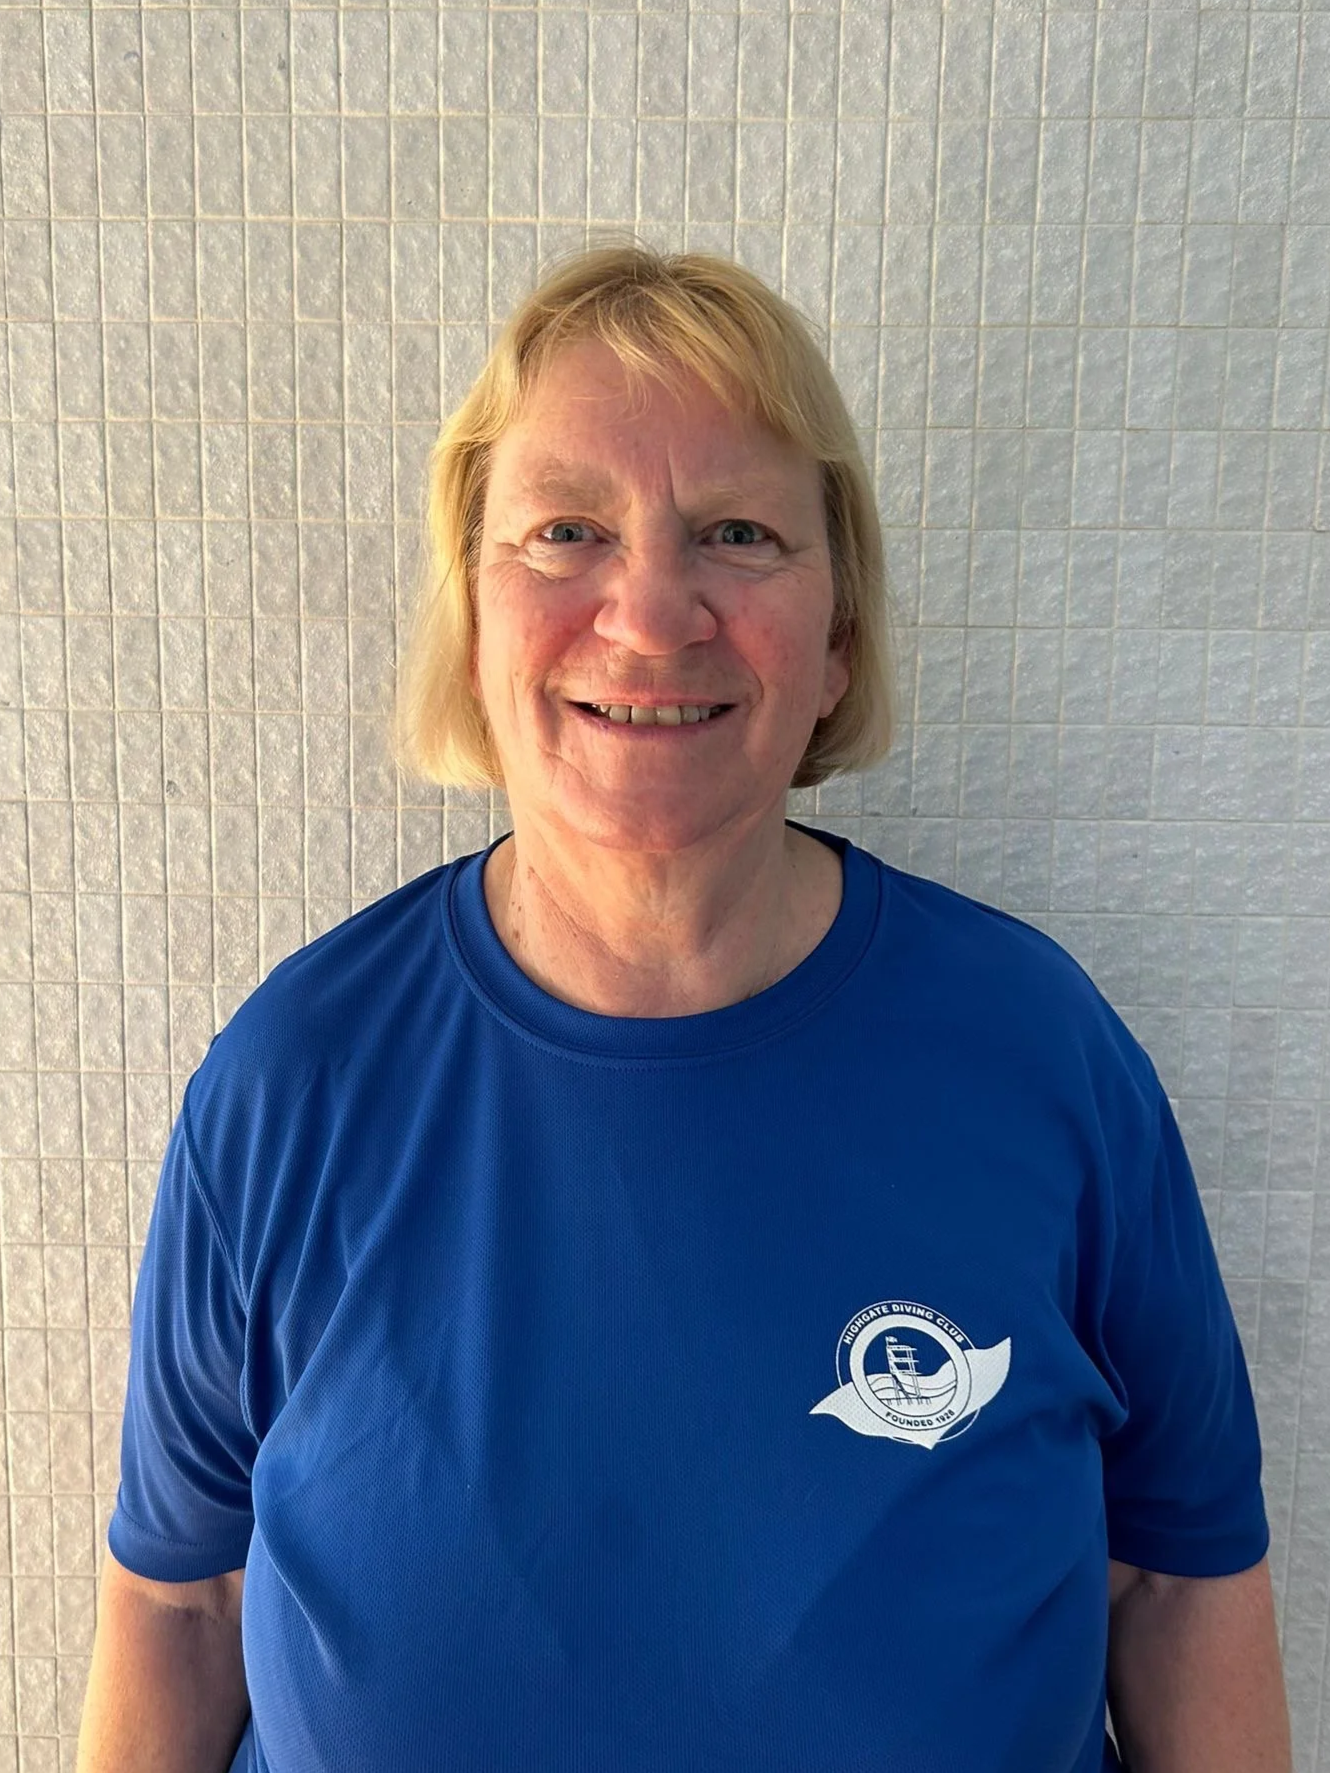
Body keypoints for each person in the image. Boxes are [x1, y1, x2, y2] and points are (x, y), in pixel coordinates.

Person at [78, 243, 1292, 1773]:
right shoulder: (290, 1084)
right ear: (468, 614)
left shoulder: (1041, 1057)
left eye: (736, 533)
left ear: (839, 633)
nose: (650, 616)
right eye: (565, 531)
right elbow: (177, 1610)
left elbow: (1178, 1578)